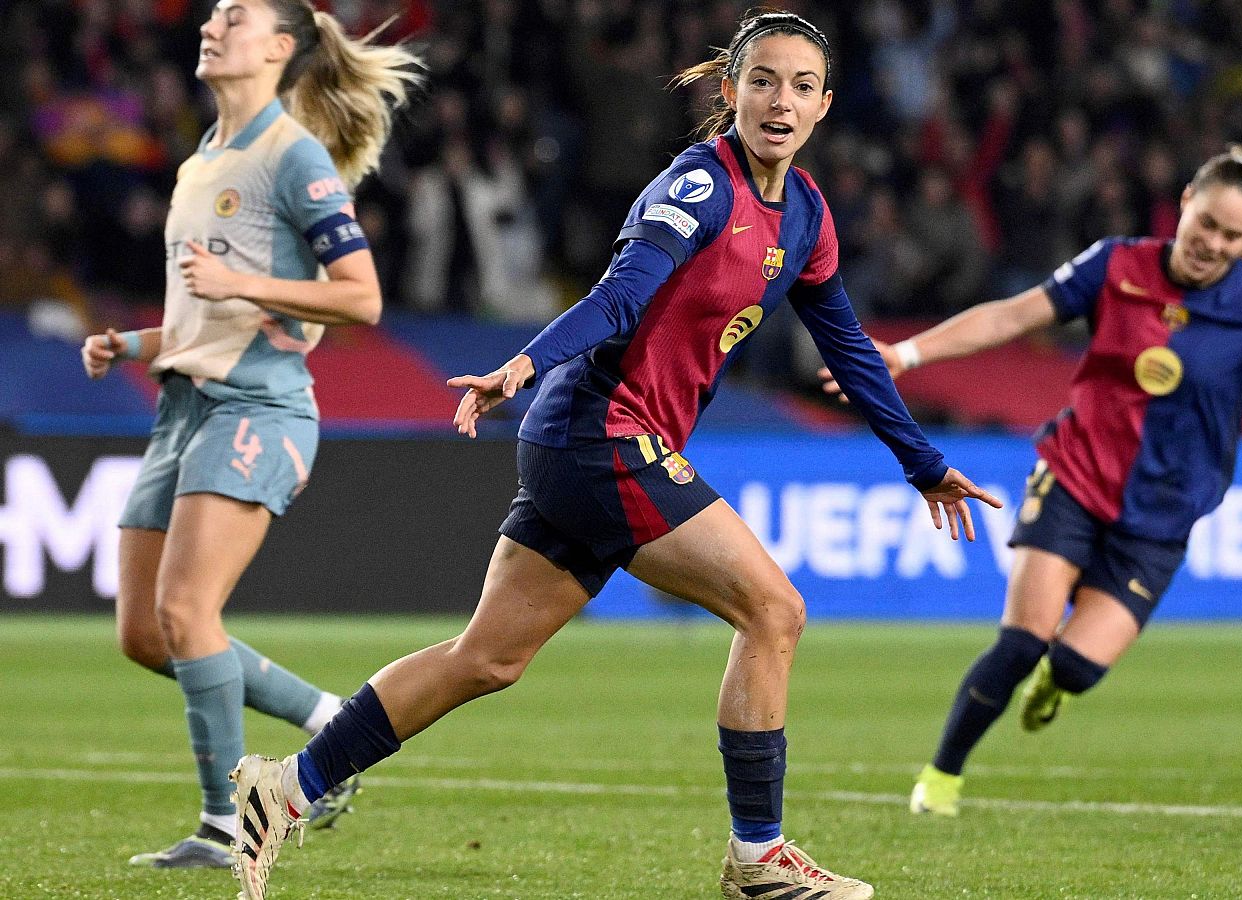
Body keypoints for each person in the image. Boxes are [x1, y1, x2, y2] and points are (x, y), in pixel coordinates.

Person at [229, 12, 998, 900]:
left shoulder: (810, 219)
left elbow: (851, 351)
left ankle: (285, 787)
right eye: (761, 81)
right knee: (774, 612)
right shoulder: (699, 188)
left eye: (798, 86)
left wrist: (921, 460)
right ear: (730, 92)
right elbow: (621, 296)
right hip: (600, 431)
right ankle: (759, 859)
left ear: (824, 106)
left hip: (597, 442)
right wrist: (523, 362)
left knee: (487, 659)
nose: (778, 100)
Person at [822, 145, 1242, 817]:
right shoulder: (1118, 263)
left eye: (1232, 235)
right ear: (1183, 204)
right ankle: (941, 776)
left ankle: (1059, 680)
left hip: (1160, 518)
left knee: (1073, 669)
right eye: (1206, 223)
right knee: (1022, 639)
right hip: (1073, 477)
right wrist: (907, 354)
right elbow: (1014, 314)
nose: (1212, 242)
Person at [77, 0, 420, 868]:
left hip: (258, 409)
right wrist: (134, 343)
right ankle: (328, 724)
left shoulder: (293, 156)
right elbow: (205, 315)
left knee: (189, 611)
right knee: (146, 635)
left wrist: (240, 279)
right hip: (182, 405)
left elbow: (360, 297)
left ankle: (229, 825)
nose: (212, 23)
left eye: (235, 16)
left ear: (276, 50)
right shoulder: (204, 161)